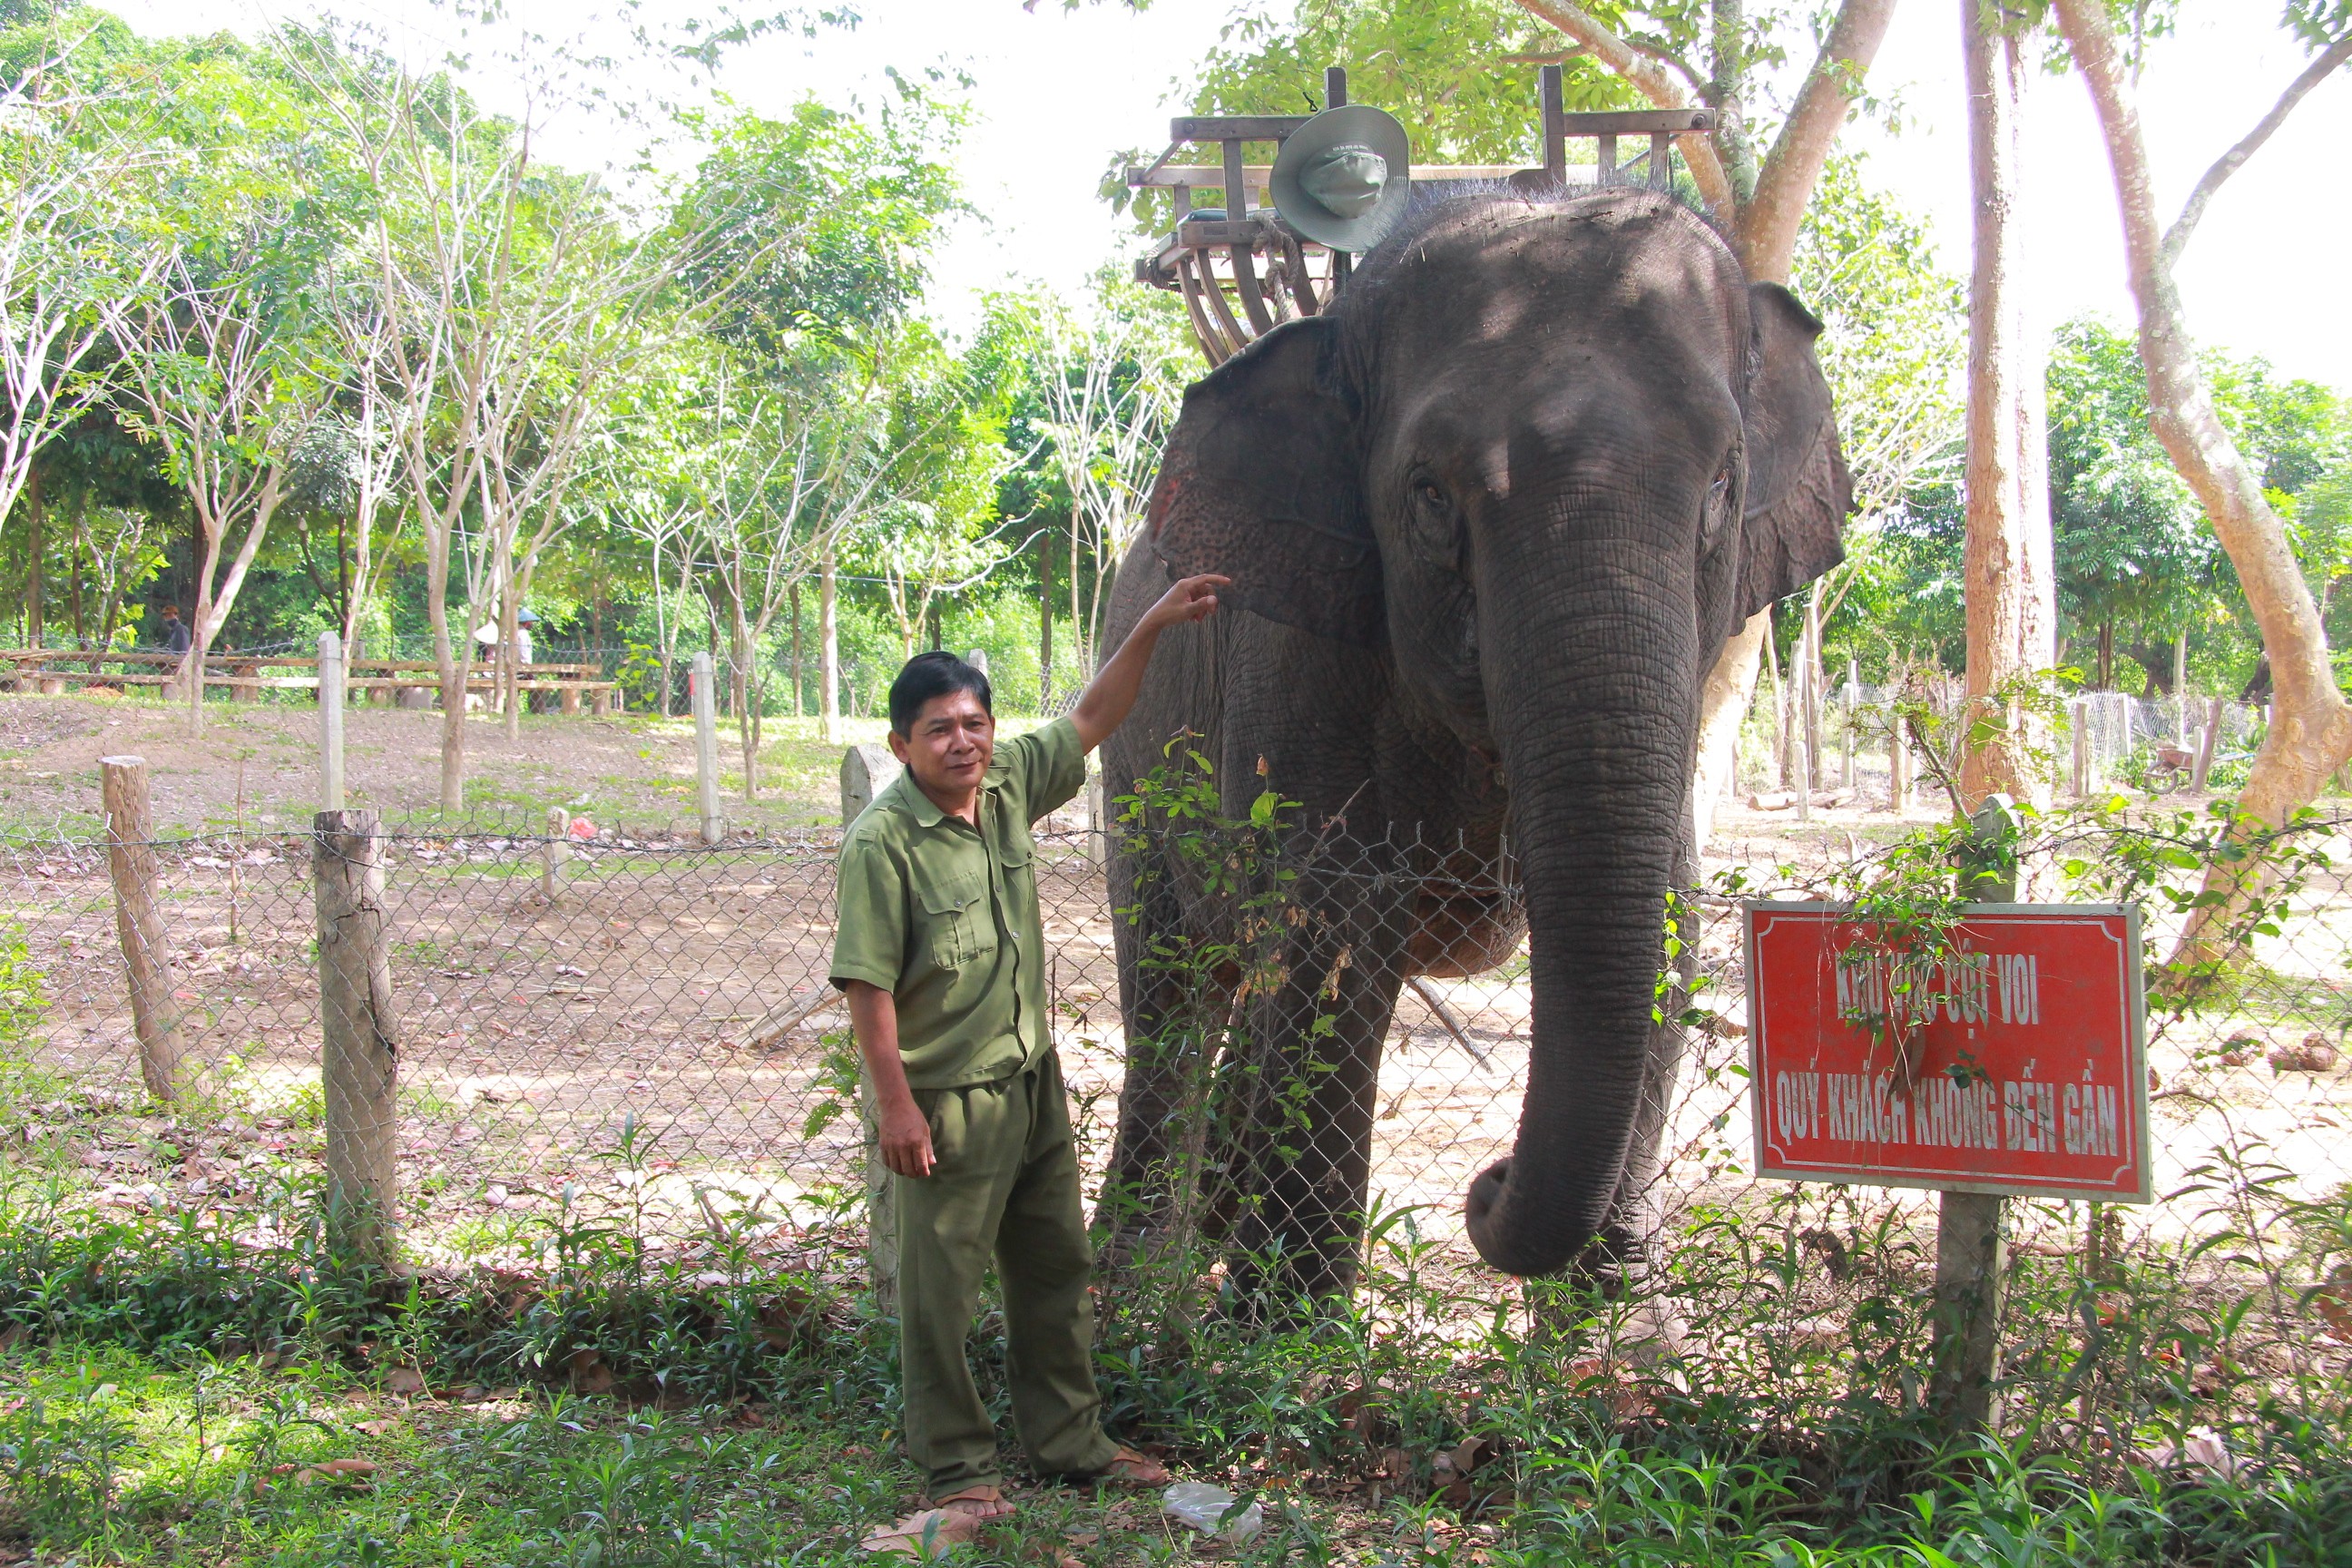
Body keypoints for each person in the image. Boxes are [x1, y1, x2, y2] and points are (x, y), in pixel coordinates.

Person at [829, 572, 1229, 1539]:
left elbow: (1093, 713)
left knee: (1055, 1266)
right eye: (938, 730)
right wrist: (895, 1106)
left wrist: (1153, 624)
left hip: (1029, 1080)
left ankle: (1070, 1443)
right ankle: (959, 1468)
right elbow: (867, 988)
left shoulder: (1004, 784)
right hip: (945, 1099)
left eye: (973, 722)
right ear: (902, 746)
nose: (961, 742)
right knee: (942, 1293)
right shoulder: (883, 846)